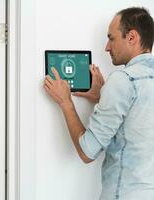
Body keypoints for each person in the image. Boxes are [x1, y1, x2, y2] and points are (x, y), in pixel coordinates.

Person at [43, 7, 154, 200]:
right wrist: (103, 97)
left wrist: (66, 102)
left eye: (111, 38)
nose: (106, 47)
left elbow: (88, 151)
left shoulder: (123, 80)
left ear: (132, 37)